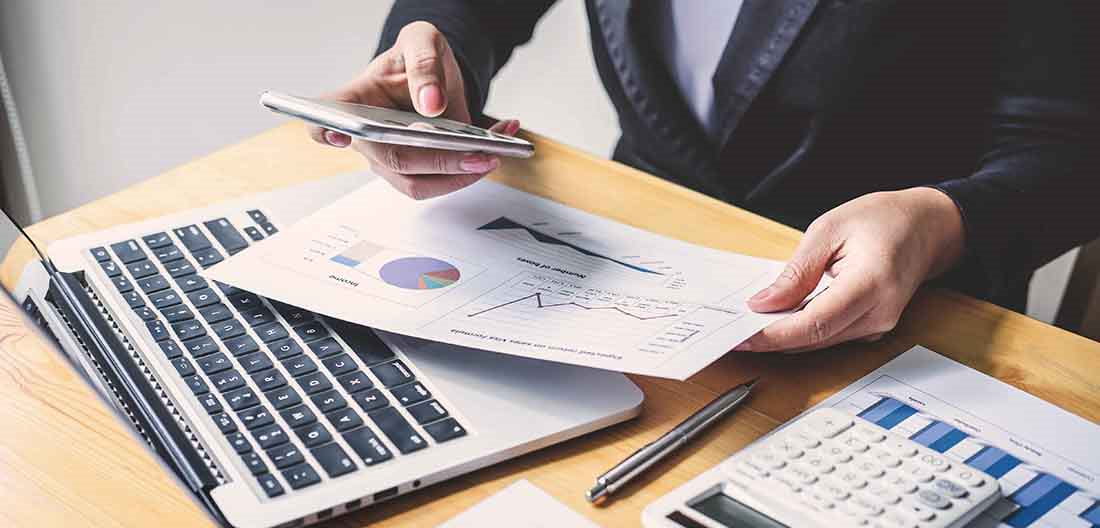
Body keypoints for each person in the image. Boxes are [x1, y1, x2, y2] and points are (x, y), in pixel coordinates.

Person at [311, 1, 1098, 352]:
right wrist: (430, 52)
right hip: (626, 272)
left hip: (909, 308)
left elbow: (1070, 146)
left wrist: (942, 220)